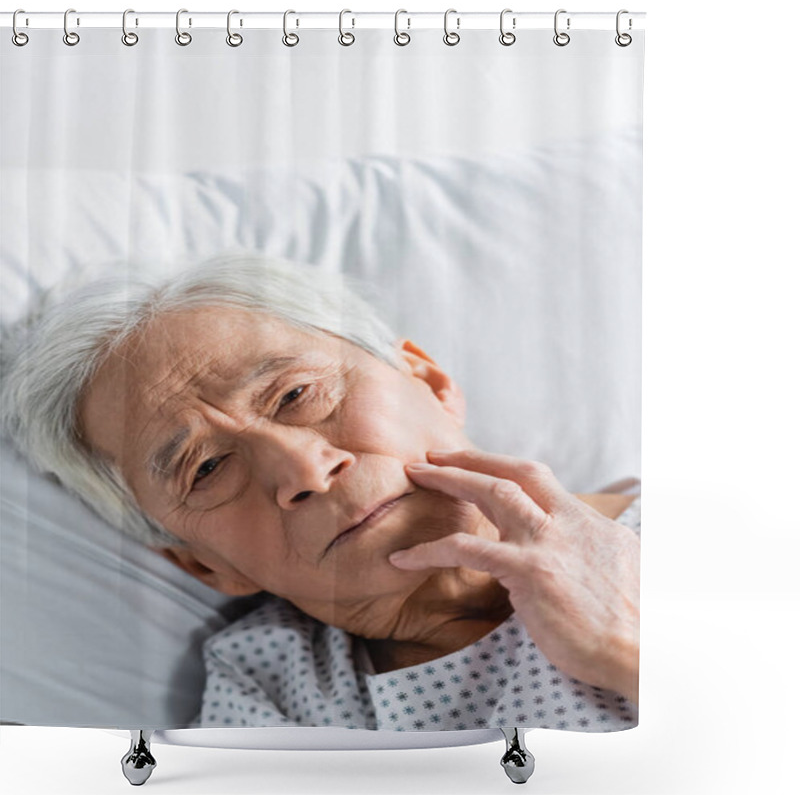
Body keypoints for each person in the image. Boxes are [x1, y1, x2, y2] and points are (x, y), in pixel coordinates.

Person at [0, 254, 640, 731]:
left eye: (297, 395)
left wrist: (629, 653)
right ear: (203, 564)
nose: (304, 469)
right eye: (206, 469)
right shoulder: (267, 699)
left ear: (429, 381)